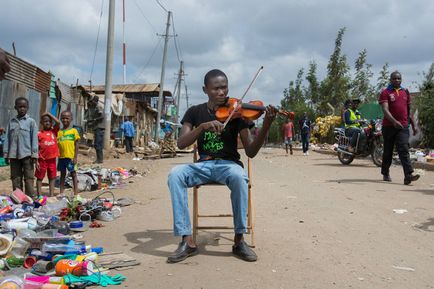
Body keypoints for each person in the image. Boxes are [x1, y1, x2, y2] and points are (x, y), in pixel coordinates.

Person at [167, 69, 277, 263]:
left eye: (224, 88)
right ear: (205, 89)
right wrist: (202, 127)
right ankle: (187, 240)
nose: (221, 92)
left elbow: (250, 151)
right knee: (175, 174)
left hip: (228, 165)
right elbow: (181, 143)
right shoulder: (195, 112)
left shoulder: (238, 114)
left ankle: (239, 240)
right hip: (203, 165)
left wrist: (266, 123)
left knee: (239, 177)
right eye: (216, 88)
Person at [379, 71, 420, 185]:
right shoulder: (386, 92)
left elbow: (409, 111)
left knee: (403, 149)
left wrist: (414, 125)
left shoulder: (405, 92)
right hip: (388, 127)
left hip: (403, 126)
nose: (397, 80)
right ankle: (385, 172)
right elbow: (385, 110)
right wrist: (394, 121)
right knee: (388, 151)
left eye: (399, 78)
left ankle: (408, 175)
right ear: (390, 80)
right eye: (394, 78)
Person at [3, 97, 38, 199]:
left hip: (27, 155)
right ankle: (18, 198)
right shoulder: (11, 122)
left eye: (24, 107)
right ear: (15, 107)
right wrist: (6, 153)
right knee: (16, 178)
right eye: (20, 107)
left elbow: (34, 139)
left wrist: (34, 154)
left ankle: (30, 197)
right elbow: (7, 139)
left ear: (27, 108)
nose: (22, 109)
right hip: (13, 155)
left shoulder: (31, 122)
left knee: (29, 177)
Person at [35, 112, 60, 196]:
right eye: (45, 121)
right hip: (42, 160)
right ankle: (39, 195)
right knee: (39, 177)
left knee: (52, 177)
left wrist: (49, 114)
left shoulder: (54, 131)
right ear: (41, 123)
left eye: (49, 121)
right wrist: (36, 161)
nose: (47, 123)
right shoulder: (39, 134)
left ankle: (51, 194)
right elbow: (36, 148)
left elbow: (58, 122)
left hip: (52, 159)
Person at [57, 111, 80, 196]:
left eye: (67, 118)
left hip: (70, 157)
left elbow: (77, 144)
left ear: (71, 119)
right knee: (62, 175)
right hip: (61, 157)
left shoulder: (74, 131)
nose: (65, 120)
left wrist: (75, 157)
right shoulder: (59, 132)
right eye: (63, 118)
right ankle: (61, 192)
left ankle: (76, 193)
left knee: (73, 174)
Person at [85, 96, 104, 163]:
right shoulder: (96, 106)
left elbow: (102, 116)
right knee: (98, 144)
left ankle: (99, 159)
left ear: (95, 101)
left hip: (99, 128)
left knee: (97, 144)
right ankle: (100, 159)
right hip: (97, 127)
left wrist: (94, 120)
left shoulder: (99, 106)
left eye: (93, 101)